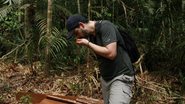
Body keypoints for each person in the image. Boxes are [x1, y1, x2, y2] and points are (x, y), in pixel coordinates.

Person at [66, 14, 135, 104]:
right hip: (106, 79)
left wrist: (88, 44)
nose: (77, 36)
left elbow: (111, 53)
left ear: (82, 25)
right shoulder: (91, 35)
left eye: (76, 33)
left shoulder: (106, 27)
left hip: (121, 76)